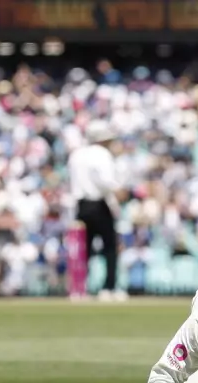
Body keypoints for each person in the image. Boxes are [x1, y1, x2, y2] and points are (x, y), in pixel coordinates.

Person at [67, 121, 129, 301]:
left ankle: (79, 288)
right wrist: (118, 190)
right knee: (109, 247)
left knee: (83, 249)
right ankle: (108, 288)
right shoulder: (102, 154)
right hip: (98, 204)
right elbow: (106, 180)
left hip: (80, 205)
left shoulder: (76, 154)